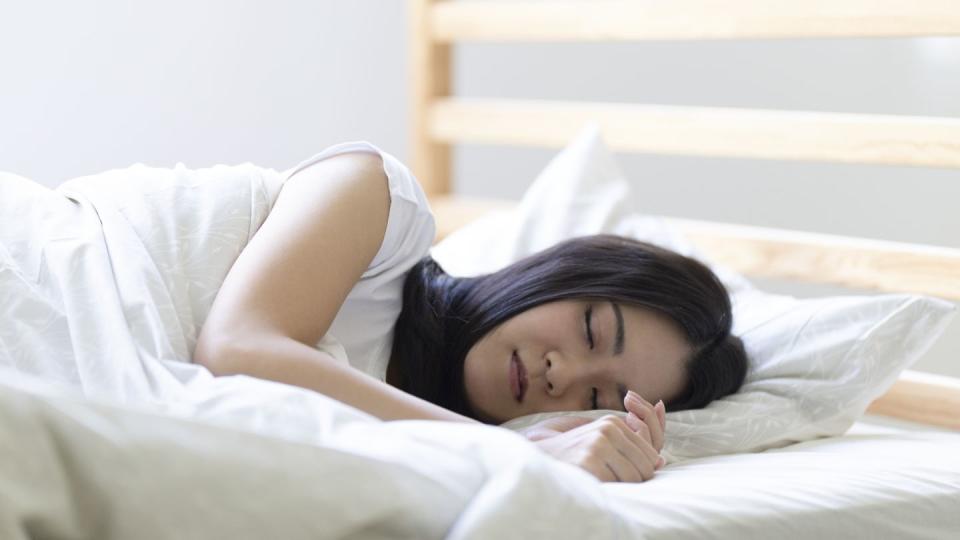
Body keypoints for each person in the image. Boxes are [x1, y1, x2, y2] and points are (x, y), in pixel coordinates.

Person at [193, 141, 748, 483]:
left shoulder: (425, 454)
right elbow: (236, 349)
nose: (564, 375)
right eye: (590, 329)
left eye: (598, 399)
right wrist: (520, 451)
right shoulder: (381, 202)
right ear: (557, 275)